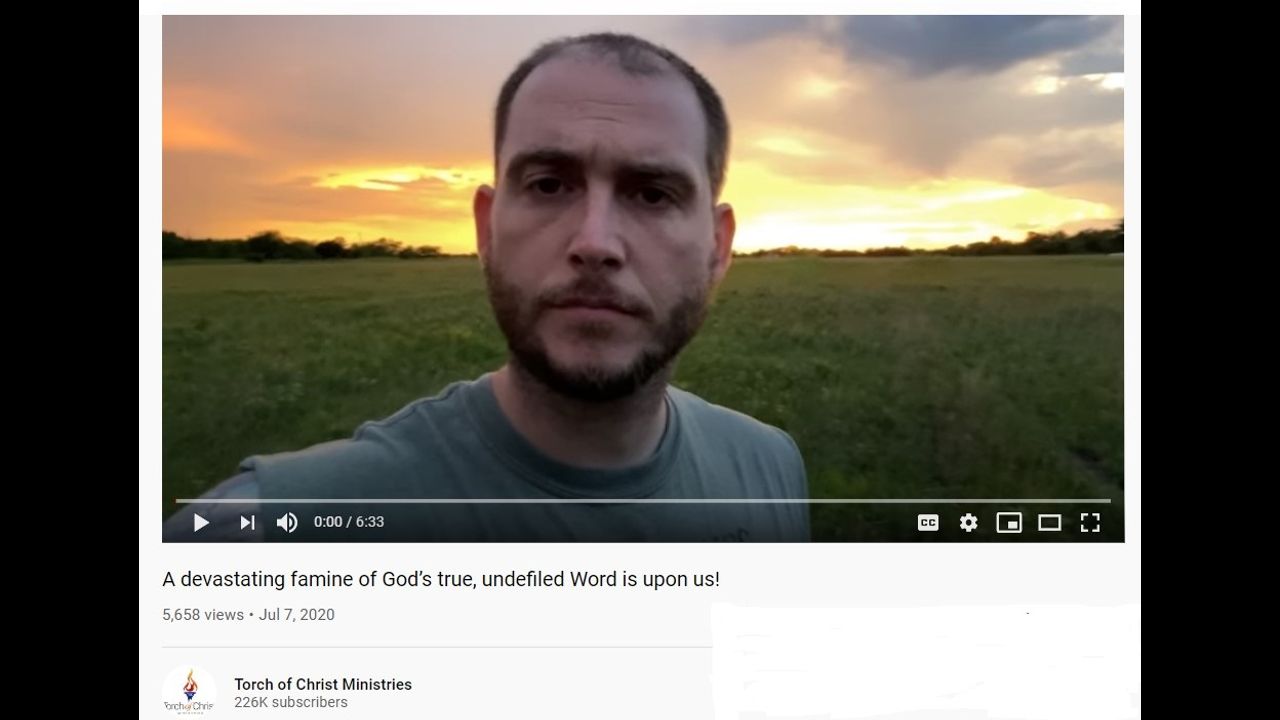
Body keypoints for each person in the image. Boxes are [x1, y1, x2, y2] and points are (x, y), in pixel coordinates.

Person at [163, 32, 809, 542]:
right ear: (486, 228)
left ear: (717, 247)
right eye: (548, 185)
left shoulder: (771, 469)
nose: (595, 243)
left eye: (653, 194)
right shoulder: (268, 534)